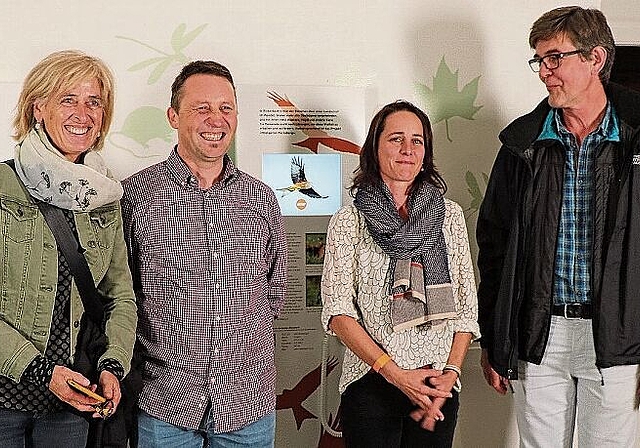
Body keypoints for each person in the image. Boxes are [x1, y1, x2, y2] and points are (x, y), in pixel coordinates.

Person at [477, 6, 640, 447]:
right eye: (539, 60)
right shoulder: (521, 145)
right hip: (539, 334)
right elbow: (493, 247)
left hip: (620, 337)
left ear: (596, 59)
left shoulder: (635, 139)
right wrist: (495, 339)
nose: (545, 72)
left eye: (555, 58)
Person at [121, 60, 287, 448]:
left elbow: (275, 294)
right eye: (202, 108)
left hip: (248, 405)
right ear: (173, 116)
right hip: (165, 404)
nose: (217, 119)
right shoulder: (134, 197)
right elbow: (121, 297)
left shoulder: (261, 199)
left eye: (226, 108)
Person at [321, 100, 480, 447]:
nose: (408, 149)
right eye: (396, 139)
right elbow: (337, 312)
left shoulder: (449, 217)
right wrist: (395, 374)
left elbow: (467, 311)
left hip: (437, 383)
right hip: (371, 380)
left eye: (417, 140)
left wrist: (450, 374)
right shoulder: (350, 221)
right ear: (375, 148)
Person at [0, 50, 138, 447]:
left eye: (93, 101)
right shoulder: (3, 185)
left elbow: (120, 296)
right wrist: (42, 373)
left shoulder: (106, 197)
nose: (83, 112)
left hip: (71, 404)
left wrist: (113, 365)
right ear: (38, 107)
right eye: (68, 99)